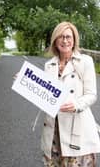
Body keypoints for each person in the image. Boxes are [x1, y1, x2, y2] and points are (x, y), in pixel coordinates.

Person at [41, 21, 100, 166]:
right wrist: (25, 81)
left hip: (77, 126)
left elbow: (92, 94)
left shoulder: (85, 61)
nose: (65, 40)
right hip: (54, 128)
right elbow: (44, 95)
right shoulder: (49, 65)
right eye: (61, 37)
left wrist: (76, 104)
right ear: (55, 41)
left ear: (74, 40)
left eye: (68, 37)